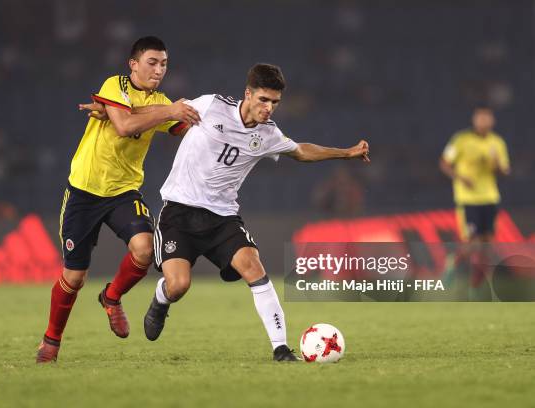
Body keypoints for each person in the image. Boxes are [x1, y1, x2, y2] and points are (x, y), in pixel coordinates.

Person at [142, 63, 370, 361]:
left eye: (274, 102)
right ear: (247, 94)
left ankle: (280, 349)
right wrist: (117, 115)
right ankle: (161, 299)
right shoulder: (211, 105)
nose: (268, 108)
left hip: (222, 217)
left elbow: (300, 151)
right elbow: (167, 112)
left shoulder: (268, 134)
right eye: (263, 99)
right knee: (179, 285)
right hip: (179, 211)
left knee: (254, 267)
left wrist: (346, 152)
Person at [36, 36, 200, 363]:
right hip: (84, 190)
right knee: (74, 277)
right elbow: (125, 126)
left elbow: (187, 127)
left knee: (143, 248)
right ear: (133, 64)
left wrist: (226, 121)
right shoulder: (116, 85)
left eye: (164, 64)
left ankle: (111, 297)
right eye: (152, 62)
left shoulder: (161, 100)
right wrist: (165, 110)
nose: (158, 70)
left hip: (124, 191)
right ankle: (50, 342)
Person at [439, 106, 510, 290]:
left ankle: (476, 285)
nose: (483, 122)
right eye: (480, 118)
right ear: (474, 120)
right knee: (472, 242)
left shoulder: (497, 142)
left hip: (490, 197)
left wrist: (496, 164)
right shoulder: (461, 140)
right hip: (468, 199)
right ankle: (453, 261)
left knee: (487, 243)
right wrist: (461, 178)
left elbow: (504, 171)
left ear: (492, 121)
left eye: (487, 118)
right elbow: (444, 164)